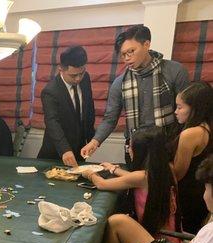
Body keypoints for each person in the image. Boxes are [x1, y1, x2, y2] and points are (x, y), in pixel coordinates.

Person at [81, 25, 189, 163]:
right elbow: (110, 118)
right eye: (123, 55)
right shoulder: (120, 82)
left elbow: (187, 111)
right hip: (134, 148)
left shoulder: (174, 71)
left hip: (168, 147)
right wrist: (94, 142)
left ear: (146, 44)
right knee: (134, 184)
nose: (126, 58)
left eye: (131, 51)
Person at [82, 127, 179, 242]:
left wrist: (89, 174)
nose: (129, 150)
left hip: (158, 241)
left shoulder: (141, 177)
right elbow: (134, 178)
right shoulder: (165, 169)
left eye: (131, 147)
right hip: (172, 237)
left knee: (115, 223)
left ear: (141, 151)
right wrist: (113, 168)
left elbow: (102, 184)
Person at [38, 46, 95, 167]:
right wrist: (64, 149)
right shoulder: (50, 91)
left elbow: (89, 110)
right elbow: (52, 122)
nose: (78, 78)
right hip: (55, 153)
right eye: (73, 75)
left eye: (82, 73)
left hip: (79, 151)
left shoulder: (86, 79)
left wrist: (92, 140)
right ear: (61, 70)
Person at [170, 81, 213, 233]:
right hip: (203, 194)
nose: (176, 111)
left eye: (180, 107)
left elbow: (178, 173)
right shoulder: (208, 127)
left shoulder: (191, 133)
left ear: (195, 108)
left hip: (189, 197)